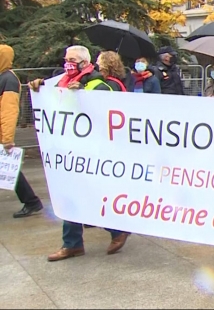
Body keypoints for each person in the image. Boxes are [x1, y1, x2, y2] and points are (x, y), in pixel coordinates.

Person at [28, 45, 130, 262]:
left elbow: (106, 112)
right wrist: (38, 87)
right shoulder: (60, 80)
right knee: (70, 194)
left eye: (73, 59)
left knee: (87, 193)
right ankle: (74, 243)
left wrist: (83, 95)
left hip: (89, 151)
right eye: (66, 59)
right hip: (67, 148)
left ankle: (112, 230)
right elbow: (48, 94)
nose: (68, 63)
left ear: (85, 62)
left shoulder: (97, 83)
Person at [0, 45, 44, 219]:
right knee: (8, 169)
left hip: (2, 133)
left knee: (10, 170)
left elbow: (9, 111)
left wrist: (7, 138)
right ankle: (31, 201)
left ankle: (32, 201)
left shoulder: (8, 79)